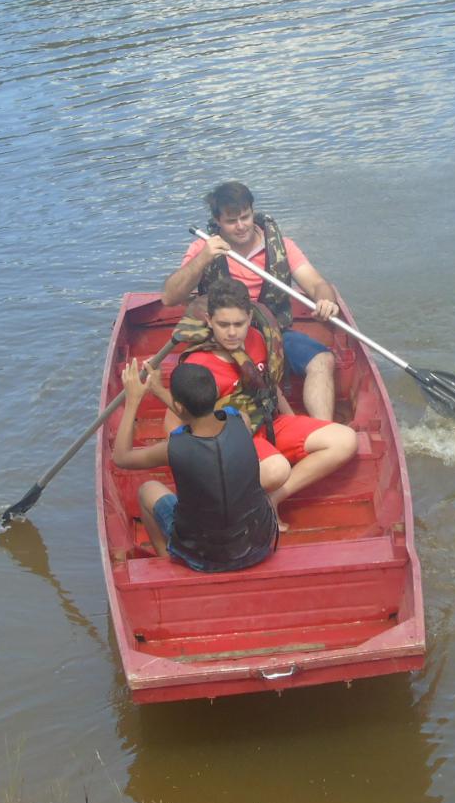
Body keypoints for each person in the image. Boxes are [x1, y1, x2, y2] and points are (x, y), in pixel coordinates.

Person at [170, 278, 357, 513]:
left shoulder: (258, 339)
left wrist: (295, 421)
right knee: (277, 469)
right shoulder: (197, 364)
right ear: (209, 320)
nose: (231, 333)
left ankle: (273, 499)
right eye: (223, 324)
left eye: (239, 324)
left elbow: (270, 387)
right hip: (234, 443)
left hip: (270, 424)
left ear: (250, 318)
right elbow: (175, 424)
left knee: (345, 439)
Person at [162, 180, 341, 421]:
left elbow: (317, 284)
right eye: (231, 221)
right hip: (223, 337)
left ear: (252, 211)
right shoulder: (203, 247)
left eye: (245, 217)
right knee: (198, 381)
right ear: (217, 221)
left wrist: (326, 301)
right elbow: (170, 297)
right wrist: (203, 258)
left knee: (322, 360)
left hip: (274, 334)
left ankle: (323, 429)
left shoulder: (282, 246)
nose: (240, 226)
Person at [111, 357, 283, 572]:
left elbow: (121, 457)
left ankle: (169, 559)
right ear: (215, 393)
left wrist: (133, 400)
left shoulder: (173, 448)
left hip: (204, 558)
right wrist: (159, 391)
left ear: (178, 406)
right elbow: (198, 416)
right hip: (258, 546)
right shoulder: (242, 420)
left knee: (148, 490)